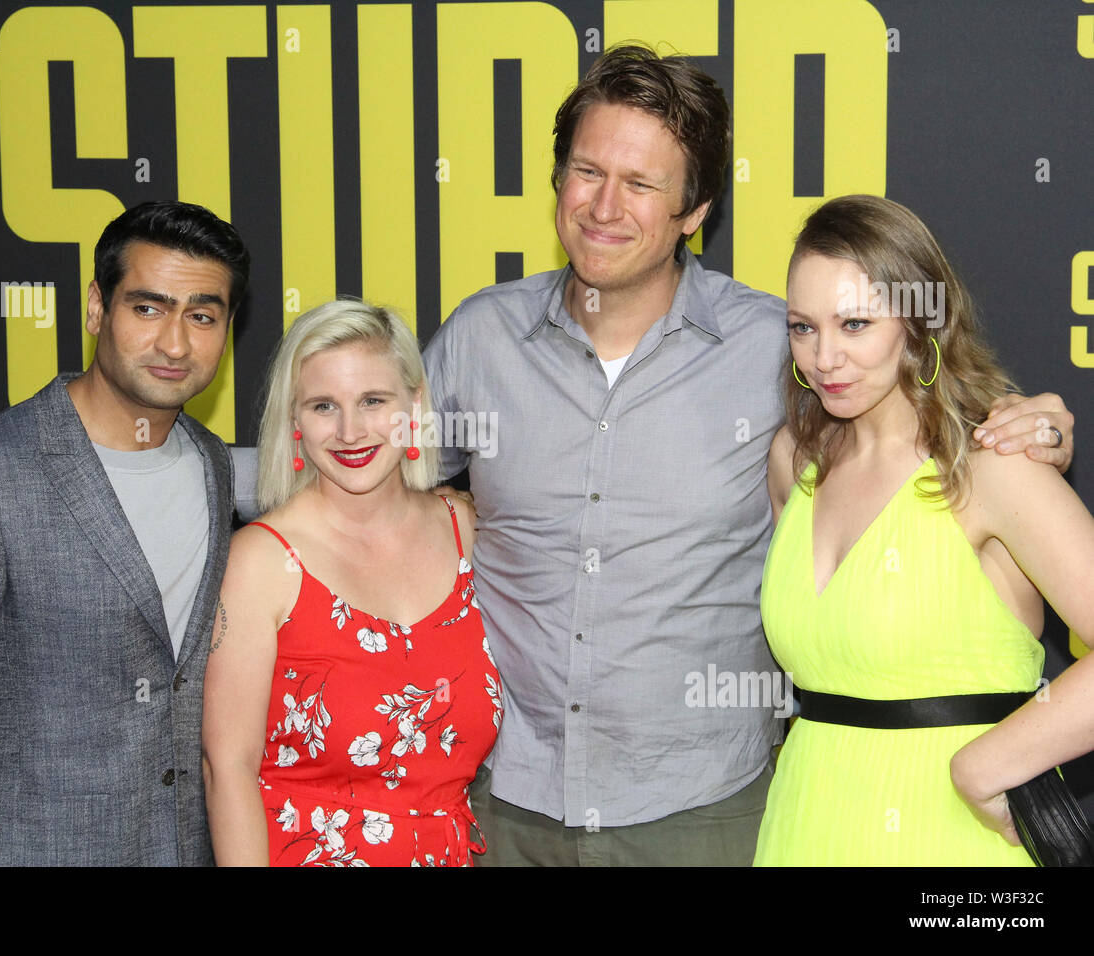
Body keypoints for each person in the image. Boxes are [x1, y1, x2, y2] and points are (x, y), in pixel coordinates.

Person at [420, 44, 1075, 866]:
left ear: (694, 213)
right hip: (507, 797)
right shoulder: (480, 338)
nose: (603, 205)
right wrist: (439, 509)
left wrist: (1029, 422)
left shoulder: (776, 346)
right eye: (586, 171)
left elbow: (917, 410)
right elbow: (365, 485)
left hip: (704, 810)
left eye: (643, 184)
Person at [0, 200, 250, 865]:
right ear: (96, 309)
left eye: (202, 316)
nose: (174, 343)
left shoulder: (212, 461)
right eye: (147, 307)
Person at [753, 194, 1094, 865]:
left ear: (919, 323)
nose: (824, 359)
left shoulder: (995, 468)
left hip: (955, 841)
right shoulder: (795, 460)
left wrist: (986, 767)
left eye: (855, 324)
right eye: (802, 327)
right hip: (802, 829)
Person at [203, 299, 499, 866]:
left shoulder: (465, 529)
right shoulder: (262, 563)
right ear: (294, 421)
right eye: (322, 406)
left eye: (372, 401)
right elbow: (227, 769)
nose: (349, 431)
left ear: (413, 405)